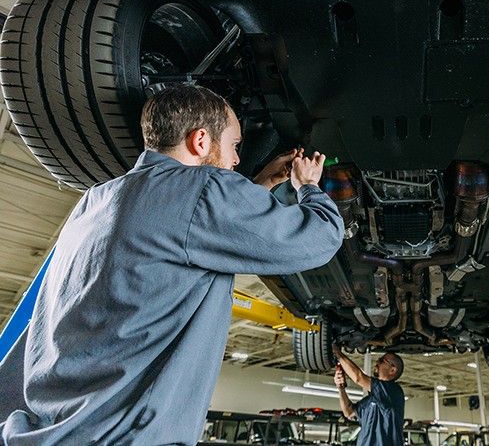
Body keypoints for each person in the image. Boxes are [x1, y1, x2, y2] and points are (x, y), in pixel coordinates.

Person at [0, 84, 344, 444]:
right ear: (200, 141)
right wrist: (308, 187)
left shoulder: (95, 201)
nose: (237, 160)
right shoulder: (205, 188)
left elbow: (183, 225)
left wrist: (257, 188)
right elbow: (319, 238)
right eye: (234, 146)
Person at [333, 344, 405, 446]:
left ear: (392, 370)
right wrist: (341, 388)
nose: (377, 363)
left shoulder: (393, 391)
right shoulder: (370, 400)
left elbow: (359, 378)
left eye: (381, 361)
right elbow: (348, 412)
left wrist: (338, 354)